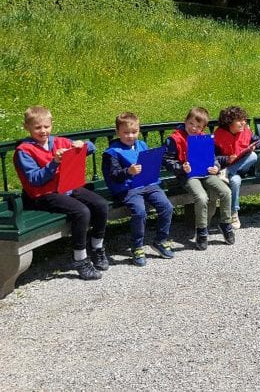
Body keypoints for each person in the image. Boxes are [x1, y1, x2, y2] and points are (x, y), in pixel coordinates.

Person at [14, 105, 109, 280]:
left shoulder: (59, 142)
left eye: (46, 127)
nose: (43, 131)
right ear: (26, 127)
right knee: (81, 211)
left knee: (101, 205)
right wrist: (54, 162)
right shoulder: (24, 151)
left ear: (51, 125)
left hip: (67, 186)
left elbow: (91, 147)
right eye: (37, 127)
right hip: (43, 195)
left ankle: (97, 248)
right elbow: (35, 179)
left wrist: (82, 145)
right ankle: (79, 258)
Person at [102, 112, 175, 267]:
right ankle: (137, 246)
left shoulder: (141, 145)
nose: (131, 136)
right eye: (126, 133)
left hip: (148, 184)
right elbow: (113, 175)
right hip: (128, 188)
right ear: (118, 132)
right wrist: (128, 171)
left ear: (139, 131)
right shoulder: (112, 152)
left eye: (134, 132)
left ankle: (160, 240)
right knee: (140, 211)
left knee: (167, 207)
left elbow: (149, 165)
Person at [163, 107, 234, 250]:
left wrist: (216, 167)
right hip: (188, 175)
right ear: (185, 121)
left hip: (206, 173)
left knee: (226, 192)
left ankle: (225, 223)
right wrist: (181, 167)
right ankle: (202, 230)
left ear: (203, 127)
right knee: (202, 197)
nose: (194, 128)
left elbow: (213, 158)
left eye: (198, 126)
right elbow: (167, 160)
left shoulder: (204, 138)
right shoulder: (175, 138)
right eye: (191, 124)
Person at [215, 106, 260, 229]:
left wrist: (255, 145)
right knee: (235, 181)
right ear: (229, 122)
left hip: (241, 167)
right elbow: (213, 157)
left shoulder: (246, 131)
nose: (244, 122)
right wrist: (226, 159)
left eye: (244, 120)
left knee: (252, 155)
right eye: (239, 120)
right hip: (225, 168)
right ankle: (234, 213)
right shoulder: (218, 135)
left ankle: (227, 172)